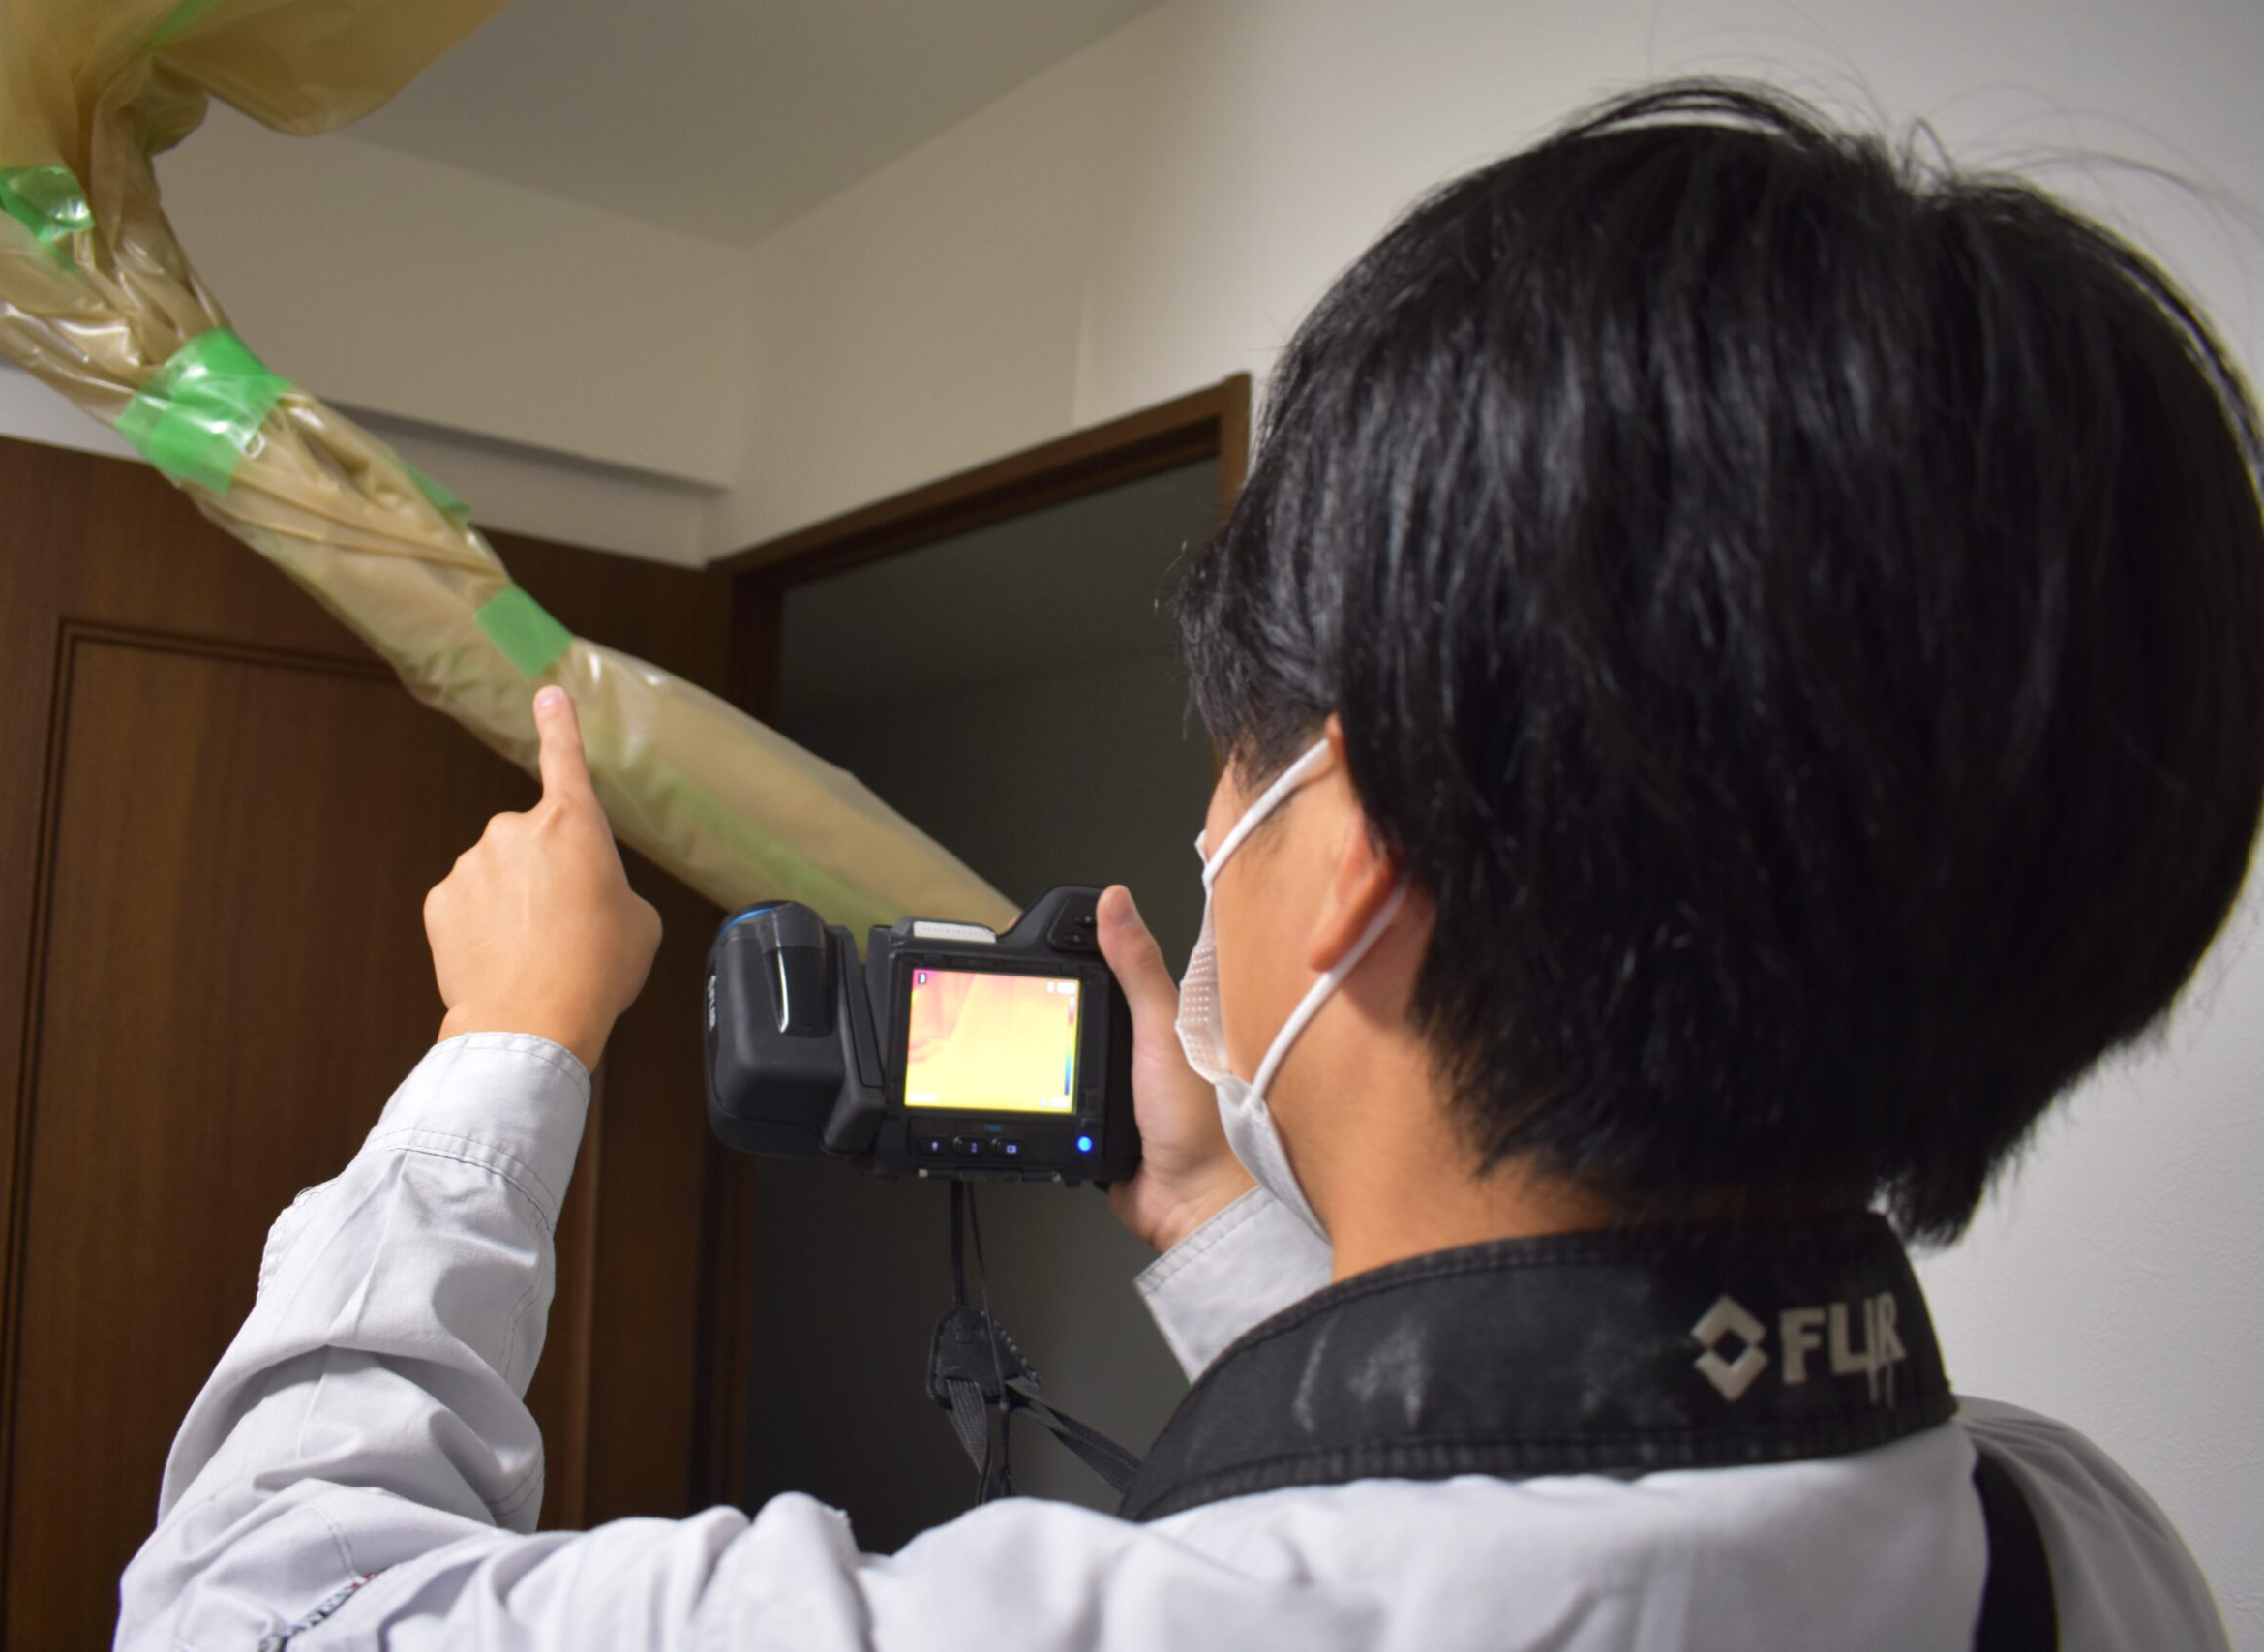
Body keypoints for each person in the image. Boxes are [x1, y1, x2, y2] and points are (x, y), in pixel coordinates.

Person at [115, 83, 2254, 1649]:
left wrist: (503, 1045)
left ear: (1355, 851)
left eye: (1244, 750)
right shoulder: (2073, 1547)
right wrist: (1211, 1206)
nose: (1212, 819)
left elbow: (249, 1605)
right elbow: (1522, 1475)